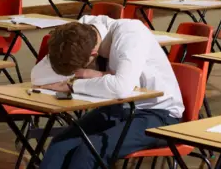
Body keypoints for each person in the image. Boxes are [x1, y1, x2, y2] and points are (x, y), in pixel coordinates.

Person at [31, 15, 184, 169]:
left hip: (159, 114)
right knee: (60, 144)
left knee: (89, 151)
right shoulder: (78, 30)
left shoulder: (131, 34)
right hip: (119, 108)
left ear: (93, 54)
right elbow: (37, 76)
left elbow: (120, 88)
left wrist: (76, 84)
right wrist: (101, 76)